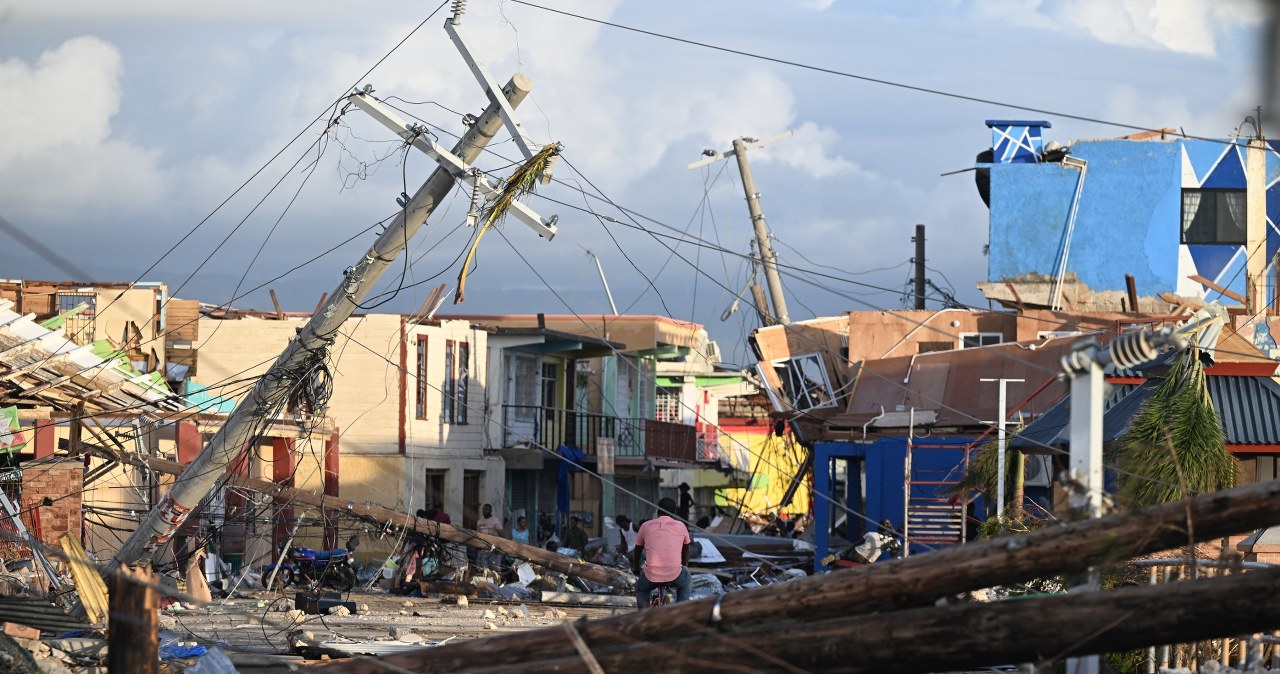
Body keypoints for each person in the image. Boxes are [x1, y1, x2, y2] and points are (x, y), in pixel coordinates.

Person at [631, 497, 691, 609]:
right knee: (686, 582)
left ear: (658, 511)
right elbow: (686, 549)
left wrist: (635, 568)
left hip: (651, 575)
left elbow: (637, 550)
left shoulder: (646, 525)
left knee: (642, 590)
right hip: (675, 574)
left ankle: (643, 618)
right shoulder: (681, 526)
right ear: (674, 512)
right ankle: (680, 611)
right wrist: (684, 566)